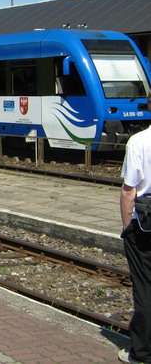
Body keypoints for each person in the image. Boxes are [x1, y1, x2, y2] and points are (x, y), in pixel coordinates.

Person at [118, 92, 151, 364]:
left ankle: (141, 352)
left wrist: (127, 227)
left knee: (145, 287)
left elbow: (129, 189)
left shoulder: (139, 141)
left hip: (146, 223)